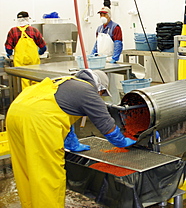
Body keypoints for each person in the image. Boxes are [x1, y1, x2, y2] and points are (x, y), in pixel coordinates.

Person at [6, 69, 136, 207]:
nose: (100, 96)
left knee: (26, 167)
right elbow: (106, 125)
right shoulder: (88, 91)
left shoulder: (64, 82)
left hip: (15, 114)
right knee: (47, 174)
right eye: (102, 93)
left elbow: (60, 110)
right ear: (99, 88)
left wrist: (71, 141)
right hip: (38, 122)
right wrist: (122, 141)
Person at [5, 11, 47, 89]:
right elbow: (43, 47)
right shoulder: (34, 30)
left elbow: (8, 48)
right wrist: (40, 52)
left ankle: (26, 98)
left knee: (23, 81)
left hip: (20, 61)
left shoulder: (13, 31)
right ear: (28, 19)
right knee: (35, 79)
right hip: (33, 60)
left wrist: (9, 53)